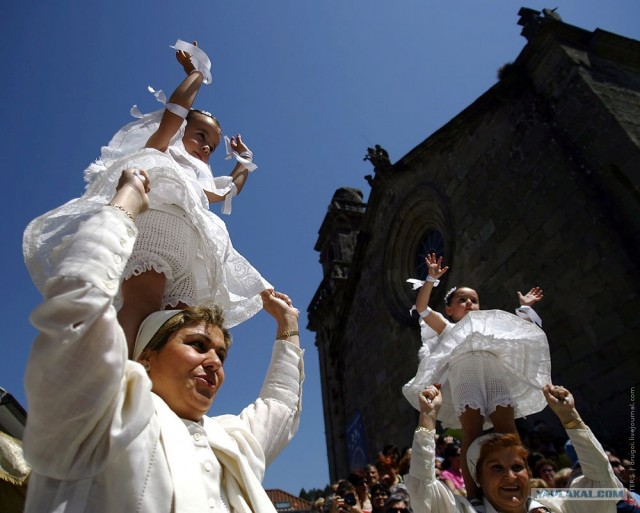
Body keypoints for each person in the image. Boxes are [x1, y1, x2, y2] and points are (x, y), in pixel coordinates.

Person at [22, 169, 304, 513]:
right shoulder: (100, 417)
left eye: (221, 354)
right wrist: (125, 204)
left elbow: (281, 406)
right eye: (198, 345)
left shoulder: (231, 443)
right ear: (146, 357)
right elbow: (77, 310)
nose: (214, 361)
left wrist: (287, 324)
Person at [23, 40, 271, 356]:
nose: (207, 146)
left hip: (193, 250)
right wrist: (197, 73)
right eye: (200, 135)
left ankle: (149, 393)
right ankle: (111, 380)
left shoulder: (198, 180)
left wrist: (243, 162)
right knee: (142, 306)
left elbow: (229, 191)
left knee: (176, 327)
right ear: (180, 131)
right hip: (158, 230)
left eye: (212, 144)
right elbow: (178, 109)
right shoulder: (162, 149)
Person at [402, 253, 551, 498]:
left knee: (508, 429)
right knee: (472, 431)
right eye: (463, 299)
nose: (470, 303)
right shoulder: (447, 328)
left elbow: (517, 332)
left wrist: (525, 307)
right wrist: (430, 278)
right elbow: (421, 308)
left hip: (493, 373)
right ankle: (473, 495)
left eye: (474, 299)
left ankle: (524, 490)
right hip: (465, 376)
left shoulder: (489, 325)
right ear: (449, 310)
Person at [405, 383, 623, 513]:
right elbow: (421, 487)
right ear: (478, 478)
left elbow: (601, 481)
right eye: (497, 468)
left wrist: (570, 418)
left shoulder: (558, 506)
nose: (511, 477)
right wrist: (428, 417)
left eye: (517, 467)